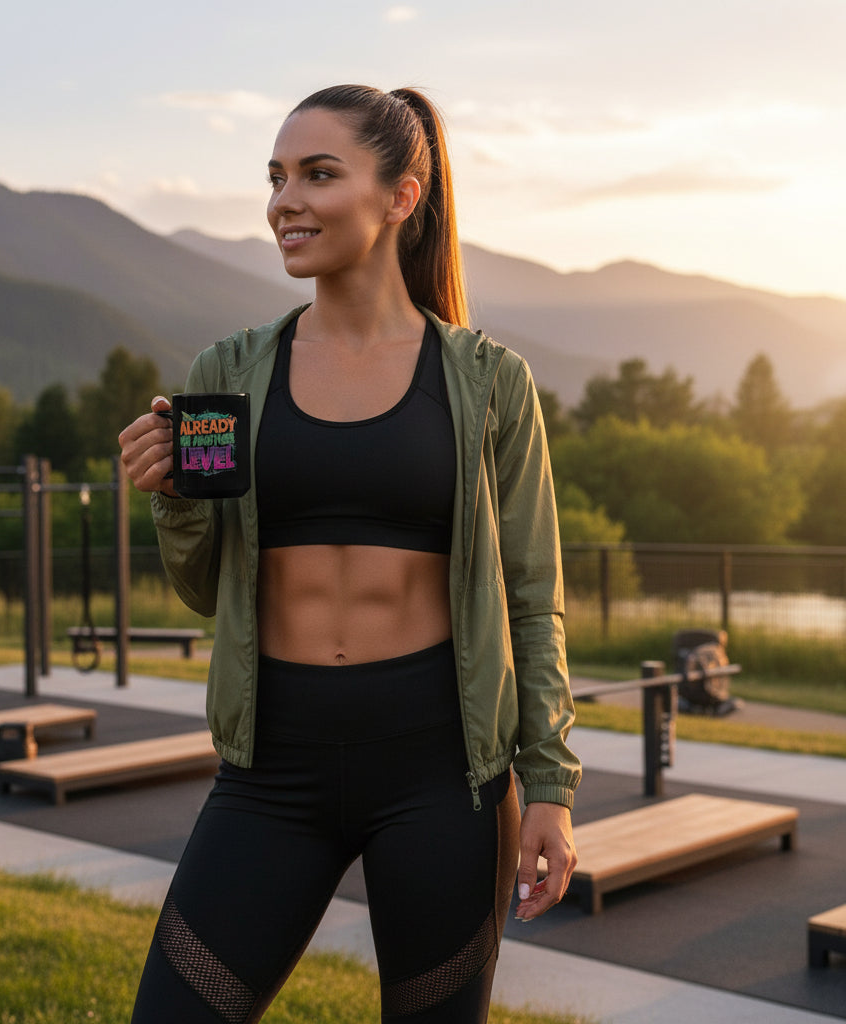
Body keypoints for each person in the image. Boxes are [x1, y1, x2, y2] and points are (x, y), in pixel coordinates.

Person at [118, 83, 581, 1024]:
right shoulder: (229, 374)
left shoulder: (488, 380)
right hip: (269, 771)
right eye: (277, 177)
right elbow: (206, 588)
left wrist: (551, 788)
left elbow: (532, 595)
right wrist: (169, 499)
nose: (285, 200)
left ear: (402, 196)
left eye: (318, 174)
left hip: (440, 773)